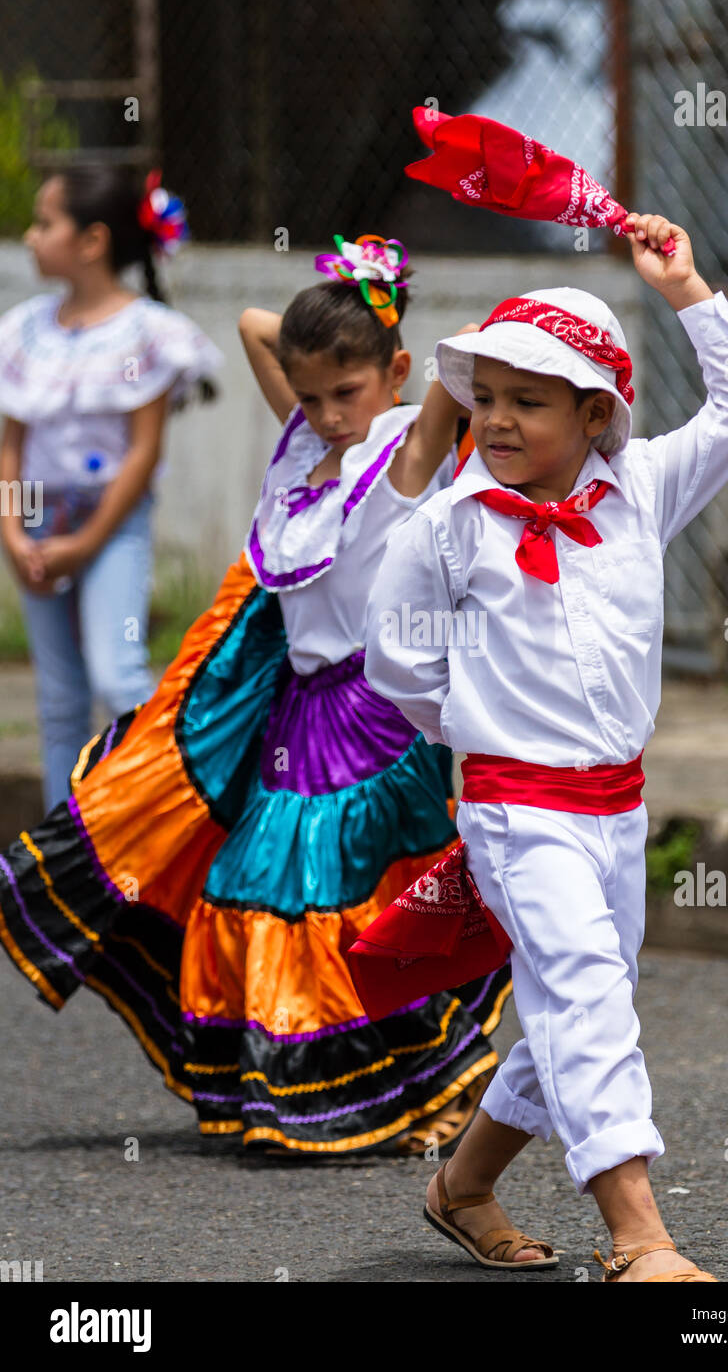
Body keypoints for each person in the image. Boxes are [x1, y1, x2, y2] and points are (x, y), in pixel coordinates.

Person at [0, 233, 509, 1158]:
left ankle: (399, 1091)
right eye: (308, 394)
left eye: (344, 393)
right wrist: (346, 324)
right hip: (298, 713)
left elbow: (461, 353)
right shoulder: (308, 444)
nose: (322, 412)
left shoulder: (401, 453)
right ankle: (346, 1092)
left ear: (394, 372)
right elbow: (252, 323)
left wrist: (389, 329)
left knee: (321, 898)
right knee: (257, 888)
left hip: (374, 716)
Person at [363, 211, 728, 1274]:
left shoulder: (640, 492)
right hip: (515, 808)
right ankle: (638, 1237)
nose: (494, 420)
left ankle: (459, 1183)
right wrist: (486, 735)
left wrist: (682, 284)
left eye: (526, 401)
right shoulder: (447, 526)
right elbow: (398, 664)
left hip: (618, 808)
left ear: (596, 413)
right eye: (484, 397)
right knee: (585, 993)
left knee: (577, 1003)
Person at [0, 164, 222, 812]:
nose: (32, 235)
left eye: (46, 223)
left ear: (93, 241)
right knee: (60, 697)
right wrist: (15, 534)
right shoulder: (23, 333)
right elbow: (11, 444)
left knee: (116, 673)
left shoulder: (149, 334)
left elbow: (144, 452)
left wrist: (87, 542)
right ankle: (55, 851)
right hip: (35, 525)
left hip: (111, 525)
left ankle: (158, 825)